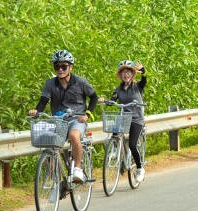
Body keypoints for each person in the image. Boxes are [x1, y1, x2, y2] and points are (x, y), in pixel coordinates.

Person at [29, 50, 97, 184]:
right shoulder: (50, 83)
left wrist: (87, 114)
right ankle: (55, 181)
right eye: (57, 67)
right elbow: (43, 101)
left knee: (73, 135)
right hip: (58, 121)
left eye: (63, 66)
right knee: (47, 143)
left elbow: (94, 97)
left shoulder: (80, 82)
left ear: (71, 67)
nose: (60, 69)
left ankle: (77, 169)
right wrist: (36, 111)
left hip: (77, 119)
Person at [100, 60, 147, 181]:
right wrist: (105, 101)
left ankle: (140, 168)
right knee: (115, 128)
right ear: (120, 75)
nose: (126, 75)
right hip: (124, 118)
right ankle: (115, 149)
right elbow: (113, 99)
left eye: (128, 72)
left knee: (132, 144)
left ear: (132, 74)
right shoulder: (118, 89)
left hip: (137, 119)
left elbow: (144, 81)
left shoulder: (137, 87)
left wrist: (143, 72)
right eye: (123, 72)